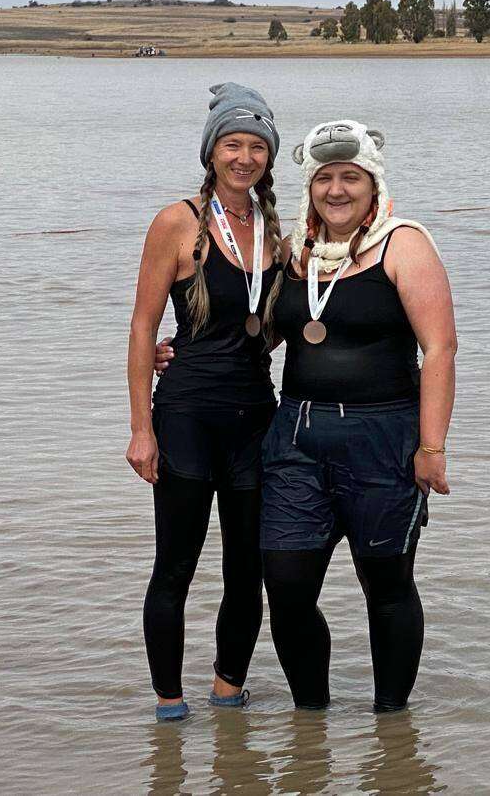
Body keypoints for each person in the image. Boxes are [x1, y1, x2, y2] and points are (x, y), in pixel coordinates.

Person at [260, 120, 457, 713]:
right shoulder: (296, 253)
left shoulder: (405, 244)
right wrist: (178, 352)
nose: (337, 190)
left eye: (351, 177)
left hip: (384, 438)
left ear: (373, 185)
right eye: (324, 178)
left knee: (387, 587)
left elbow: (440, 348)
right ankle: (310, 724)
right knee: (288, 589)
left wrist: (432, 446)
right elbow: (262, 334)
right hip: (296, 437)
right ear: (310, 186)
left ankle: (391, 728)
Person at [126, 83, 282, 722]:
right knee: (175, 568)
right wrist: (141, 427)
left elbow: (275, 323)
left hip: (255, 417)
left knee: (250, 571)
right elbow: (141, 326)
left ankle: (227, 691)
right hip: (187, 414)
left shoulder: (276, 227)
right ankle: (168, 704)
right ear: (211, 151)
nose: (243, 157)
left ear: (269, 157)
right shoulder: (178, 221)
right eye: (231, 144)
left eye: (256, 147)